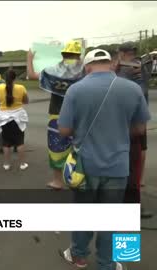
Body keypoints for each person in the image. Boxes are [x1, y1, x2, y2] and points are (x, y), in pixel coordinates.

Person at [57, 49, 150, 270]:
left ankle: (78, 256)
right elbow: (139, 129)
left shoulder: (75, 90)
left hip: (85, 167)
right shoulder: (133, 89)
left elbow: (64, 130)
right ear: (112, 64)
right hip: (118, 166)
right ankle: (106, 264)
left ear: (87, 67)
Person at [27, 40, 85, 190]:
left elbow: (32, 75)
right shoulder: (85, 71)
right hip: (80, 114)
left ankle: (58, 181)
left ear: (63, 54)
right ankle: (80, 179)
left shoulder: (54, 70)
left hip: (57, 112)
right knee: (80, 146)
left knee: (57, 147)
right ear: (79, 56)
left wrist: (29, 58)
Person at [114, 42, 153, 219]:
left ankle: (129, 205)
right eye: (129, 53)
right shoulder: (119, 69)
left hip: (132, 120)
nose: (131, 56)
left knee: (133, 161)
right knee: (130, 162)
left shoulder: (140, 67)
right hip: (128, 121)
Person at [0, 70, 29, 171]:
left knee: (6, 143)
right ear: (15, 78)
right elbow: (26, 101)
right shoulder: (21, 88)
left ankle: (6, 164)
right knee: (20, 142)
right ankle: (22, 164)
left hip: (4, 118)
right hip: (18, 116)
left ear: (5, 78)